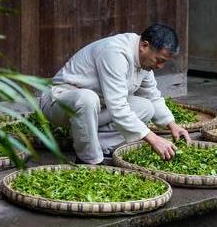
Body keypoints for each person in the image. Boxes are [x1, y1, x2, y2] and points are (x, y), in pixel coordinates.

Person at [40, 23, 191, 164]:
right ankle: (89, 160)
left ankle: (89, 141)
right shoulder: (115, 52)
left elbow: (152, 95)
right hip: (59, 102)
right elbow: (117, 106)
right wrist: (153, 138)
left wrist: (172, 125)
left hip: (98, 108)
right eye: (159, 60)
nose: (160, 66)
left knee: (146, 107)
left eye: (164, 62)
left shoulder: (144, 62)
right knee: (87, 99)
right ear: (145, 46)